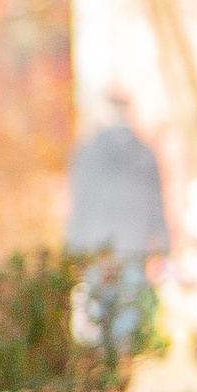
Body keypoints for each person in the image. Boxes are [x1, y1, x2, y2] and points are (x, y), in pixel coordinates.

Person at [64, 91, 166, 352]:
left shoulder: (86, 151)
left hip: (95, 246)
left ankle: (102, 365)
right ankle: (120, 364)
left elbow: (77, 202)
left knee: (98, 312)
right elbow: (156, 202)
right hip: (132, 246)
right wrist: (162, 246)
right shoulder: (142, 153)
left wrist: (72, 248)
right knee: (126, 314)